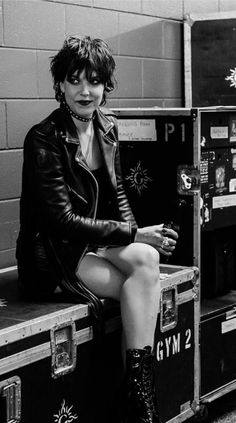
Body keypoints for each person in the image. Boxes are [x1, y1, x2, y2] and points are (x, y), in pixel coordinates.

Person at [16, 35, 178, 423]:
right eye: (75, 81)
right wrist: (133, 236)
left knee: (147, 260)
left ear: (106, 85)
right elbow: (61, 221)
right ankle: (139, 399)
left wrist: (138, 234)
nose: (85, 91)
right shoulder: (43, 139)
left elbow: (118, 194)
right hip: (52, 256)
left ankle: (136, 390)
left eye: (94, 81)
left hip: (88, 244)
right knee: (141, 279)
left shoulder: (107, 128)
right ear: (60, 85)